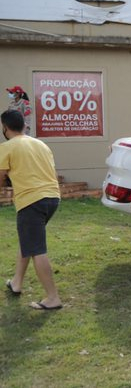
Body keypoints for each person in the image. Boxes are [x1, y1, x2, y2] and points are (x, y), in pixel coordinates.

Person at [0, 110, 62, 310]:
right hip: (52, 198)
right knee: (29, 239)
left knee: (36, 249)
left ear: (5, 127)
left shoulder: (7, 147)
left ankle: (53, 298)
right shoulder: (41, 144)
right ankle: (17, 283)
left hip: (31, 201)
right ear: (24, 126)